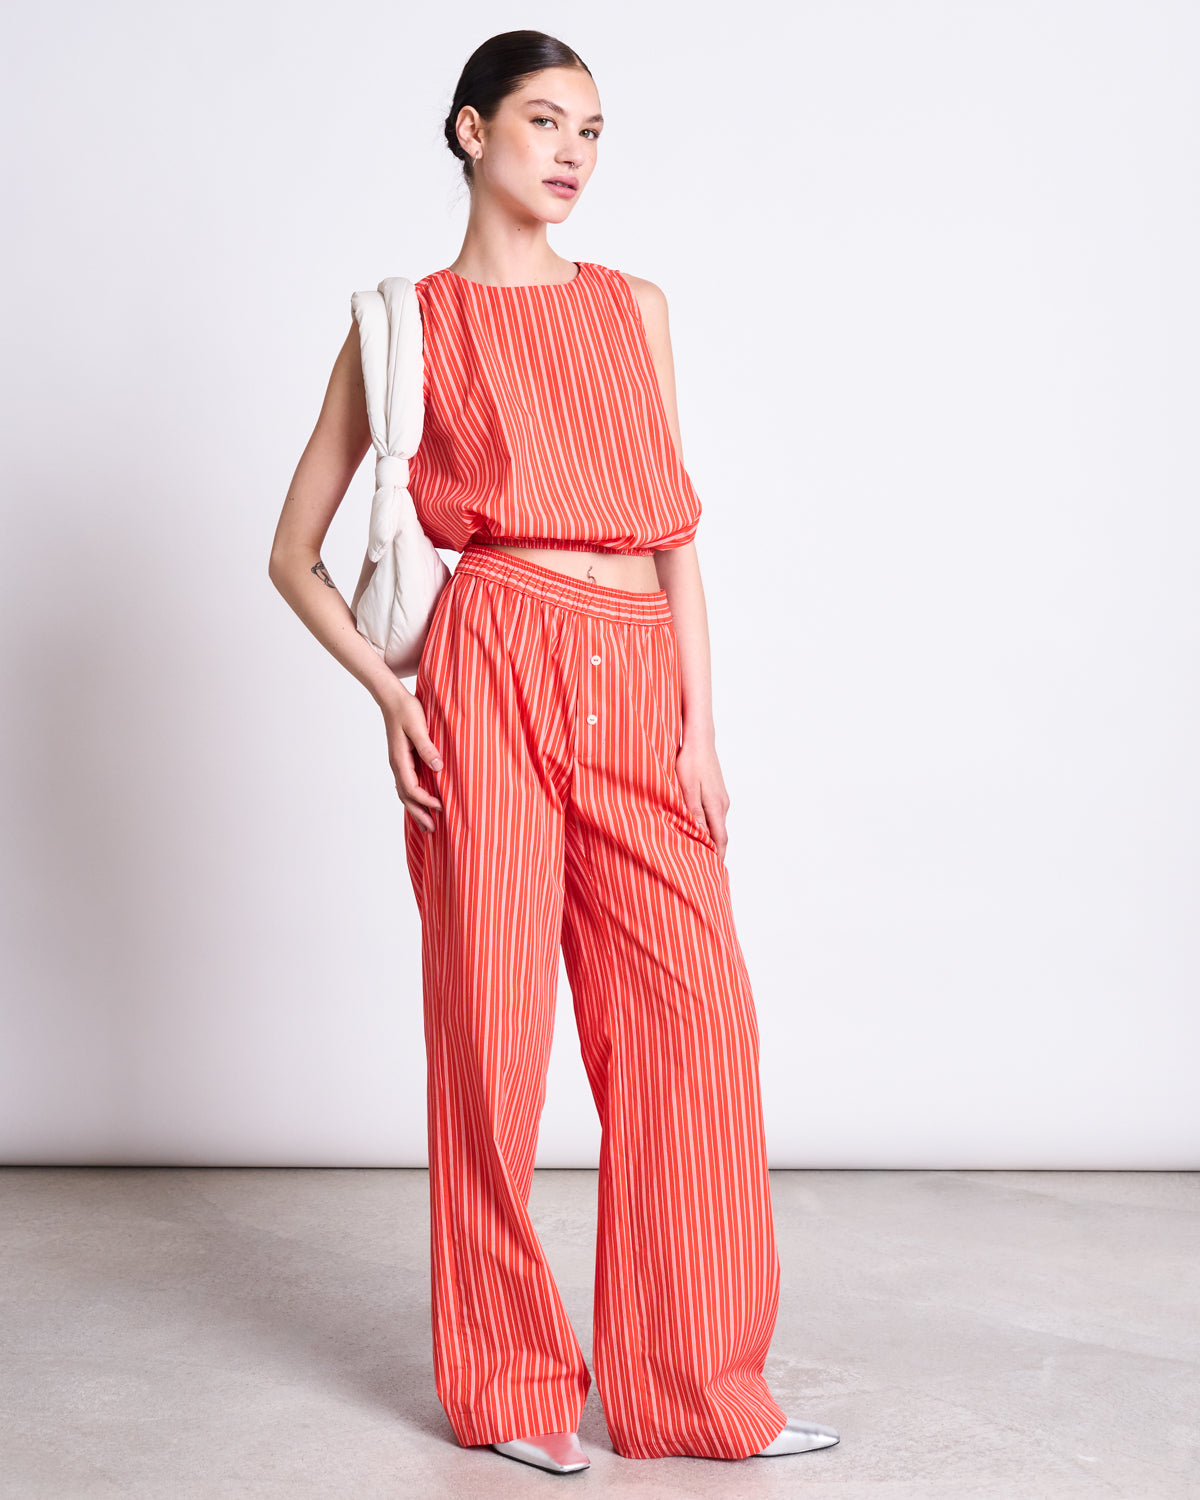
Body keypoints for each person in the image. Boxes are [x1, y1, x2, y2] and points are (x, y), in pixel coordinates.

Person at [269, 27, 840, 1476]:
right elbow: (292, 555)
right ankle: (514, 1390)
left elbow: (674, 532)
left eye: (592, 129)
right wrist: (394, 702)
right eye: (543, 121)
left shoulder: (636, 307)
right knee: (493, 1037)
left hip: (638, 676)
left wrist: (703, 728)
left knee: (696, 1029)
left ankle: (696, 1391)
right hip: (491, 666)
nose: (574, 152)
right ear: (471, 133)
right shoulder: (408, 323)